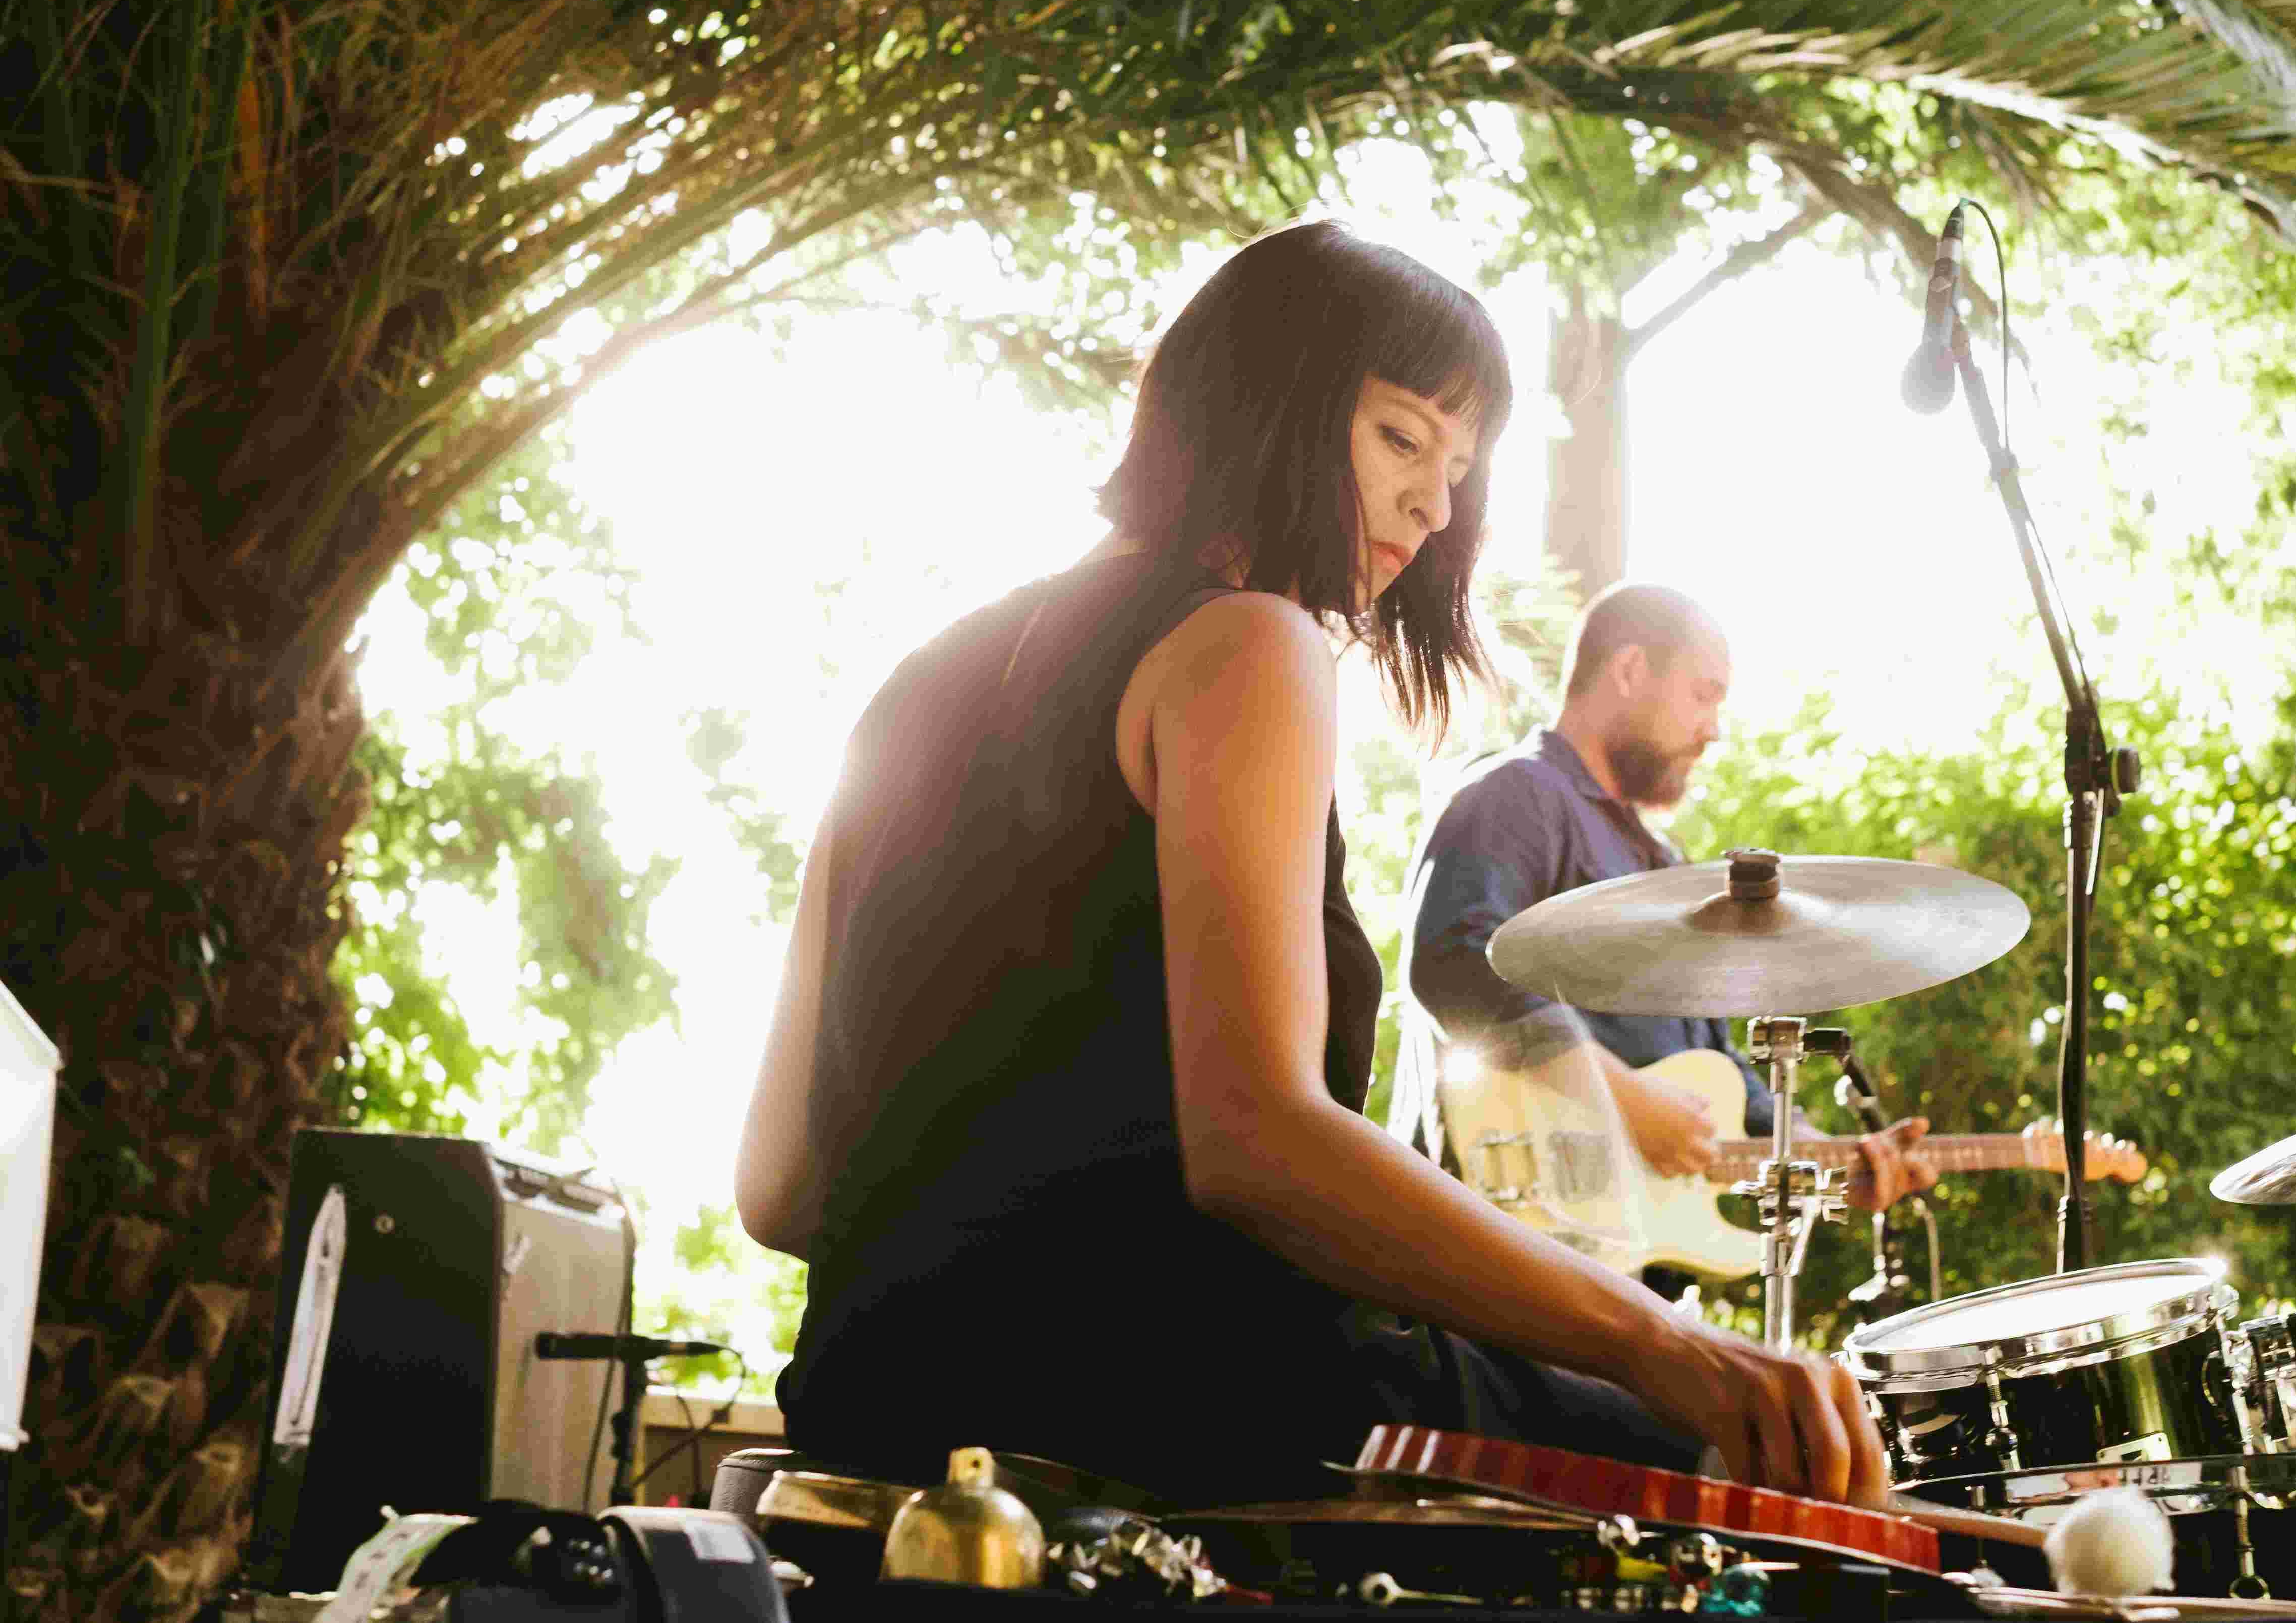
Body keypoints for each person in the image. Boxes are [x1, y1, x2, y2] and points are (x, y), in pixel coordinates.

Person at [733, 221, 1898, 1512]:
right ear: (1265, 398)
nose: (1435, 505)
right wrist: (1663, 1343)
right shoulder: (1243, 642)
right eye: (1402, 437)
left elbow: (778, 1189)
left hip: (865, 1418)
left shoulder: (906, 692)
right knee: (1775, 1485)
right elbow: (1258, 1141)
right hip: (1175, 1417)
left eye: (1458, 468)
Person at [1403, 583, 1934, 1253]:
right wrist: (1620, 1098)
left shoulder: (1662, 861)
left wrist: (1818, 1158)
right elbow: (1454, 961)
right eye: (1703, 694)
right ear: (1629, 670)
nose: (1714, 728)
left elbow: (1712, 1063)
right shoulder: (1517, 795)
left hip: (1624, 1257)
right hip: (1493, 1237)